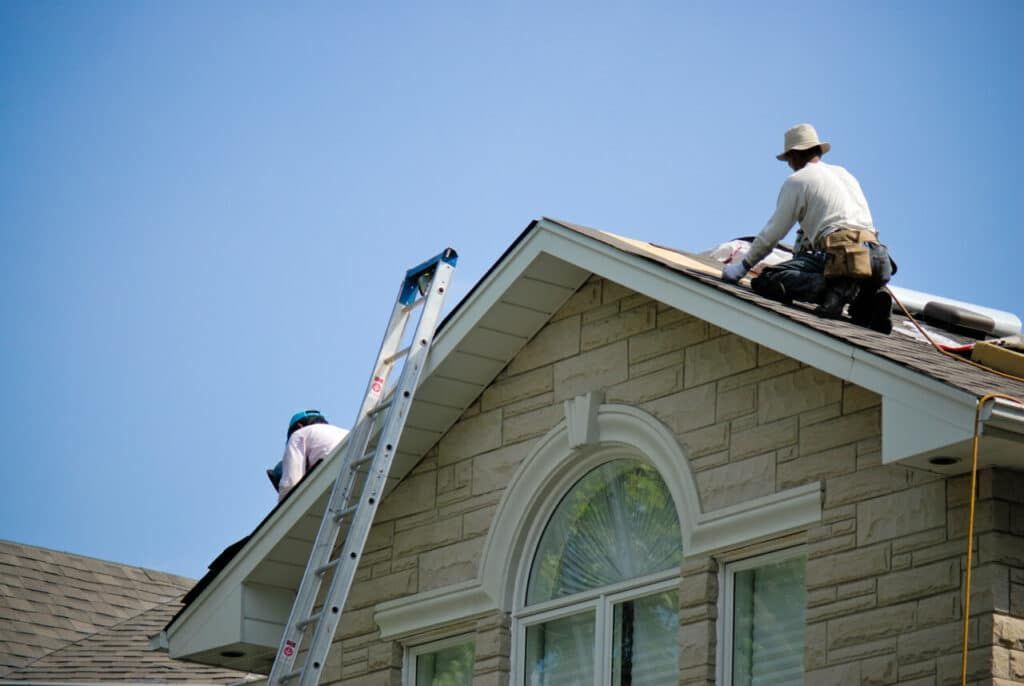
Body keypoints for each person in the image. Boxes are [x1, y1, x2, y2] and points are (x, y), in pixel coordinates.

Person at [721, 123, 896, 333]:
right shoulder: (844, 174)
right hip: (877, 259)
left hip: (844, 257)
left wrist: (742, 267)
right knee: (858, 309)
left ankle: (831, 292)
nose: (789, 165)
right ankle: (868, 298)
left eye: (788, 160)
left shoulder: (798, 180)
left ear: (794, 155)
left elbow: (773, 233)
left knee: (769, 279)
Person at [269, 410, 349, 502]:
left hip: (333, 474)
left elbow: (290, 483)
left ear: (299, 426)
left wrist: (281, 510)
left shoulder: (298, 434)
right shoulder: (342, 431)